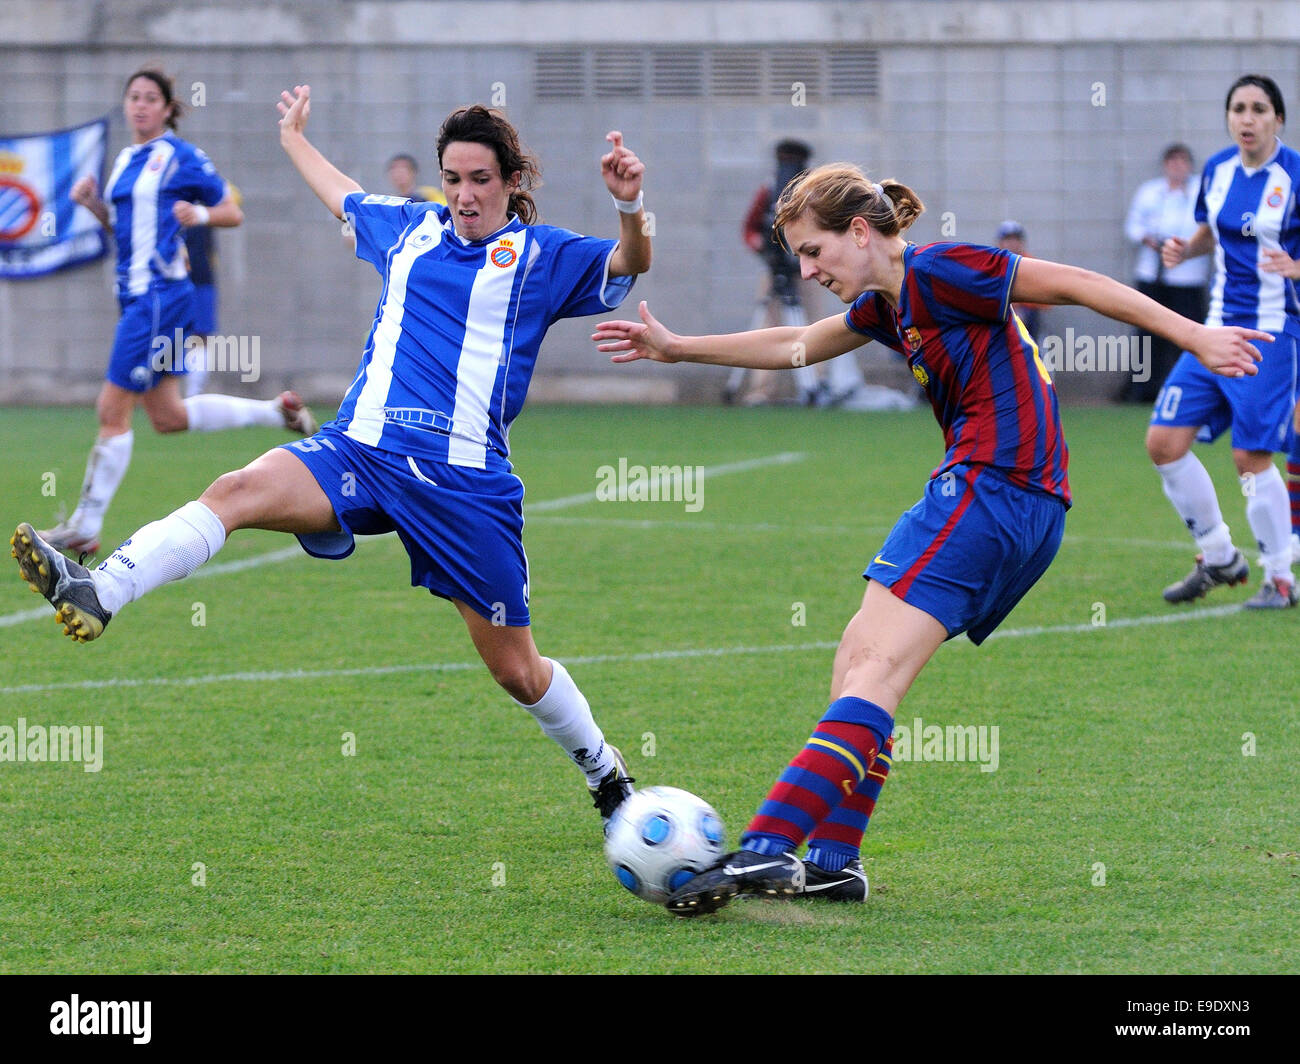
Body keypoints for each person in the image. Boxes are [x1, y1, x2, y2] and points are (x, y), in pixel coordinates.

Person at [593, 163, 1262, 914]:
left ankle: (766, 848)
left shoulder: (942, 269)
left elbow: (1076, 282)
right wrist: (679, 348)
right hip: (1015, 501)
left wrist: (1193, 333)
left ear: (859, 231)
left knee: (875, 666)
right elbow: (798, 346)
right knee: (857, 660)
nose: (809, 272)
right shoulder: (890, 302)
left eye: (815, 252)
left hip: (993, 487)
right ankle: (834, 862)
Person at [12, 84, 651, 834]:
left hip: (463, 484)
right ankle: (101, 590)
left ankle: (605, 773)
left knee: (517, 671)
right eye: (453, 179)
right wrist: (290, 137)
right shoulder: (410, 230)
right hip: (360, 449)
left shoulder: (543, 257)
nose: (465, 195)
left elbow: (628, 260)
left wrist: (630, 206)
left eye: (481, 180)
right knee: (238, 488)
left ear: (513, 182)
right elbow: (342, 195)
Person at [42, 68, 317, 558]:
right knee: (167, 416)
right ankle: (275, 411)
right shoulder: (127, 159)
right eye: (133, 97)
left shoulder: (181, 156)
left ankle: (84, 526)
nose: (141, 106)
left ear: (169, 108)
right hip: (134, 296)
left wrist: (203, 215)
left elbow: (232, 211)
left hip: (159, 298)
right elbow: (126, 232)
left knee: (112, 409)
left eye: (151, 98)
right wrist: (93, 207)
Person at [1149, 74, 1300, 609]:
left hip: (1270, 334)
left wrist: (1296, 266)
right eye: (1238, 108)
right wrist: (1185, 250)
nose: (1247, 118)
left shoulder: (1295, 175)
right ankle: (1218, 557)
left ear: (1278, 119)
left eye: (1259, 109)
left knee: (1249, 458)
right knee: (1163, 444)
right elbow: (1213, 229)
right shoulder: (1216, 169)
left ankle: (1281, 577)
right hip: (1211, 331)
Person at [724, 139, 871, 407]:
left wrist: (812, 257)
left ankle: (817, 385)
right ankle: (761, 390)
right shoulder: (768, 189)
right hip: (774, 270)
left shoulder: (815, 192)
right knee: (767, 326)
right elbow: (750, 228)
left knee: (814, 326)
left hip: (813, 269)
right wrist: (761, 247)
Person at [1120, 143, 1209, 402]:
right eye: (1173, 161)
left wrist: (1182, 246)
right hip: (1153, 273)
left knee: (1188, 333)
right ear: (1165, 165)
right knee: (1148, 333)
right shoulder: (1150, 192)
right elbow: (1133, 226)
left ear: (1190, 165)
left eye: (1183, 161)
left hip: (1187, 277)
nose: (1177, 166)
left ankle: (1191, 389)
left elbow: (1207, 229)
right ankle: (1143, 390)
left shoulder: (1199, 191)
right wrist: (1149, 240)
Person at [181, 182, 243, 397]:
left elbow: (233, 201)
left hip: (197, 278)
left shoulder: (203, 199)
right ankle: (189, 391)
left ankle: (193, 391)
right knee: (192, 336)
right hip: (186, 278)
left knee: (198, 336)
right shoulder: (172, 197)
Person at [994, 220, 1044, 343]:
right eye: (1008, 239)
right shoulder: (993, 262)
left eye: (1015, 239)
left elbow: (1045, 302)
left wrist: (1021, 304)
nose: (1012, 243)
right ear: (1000, 243)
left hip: (1027, 316)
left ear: (1022, 242)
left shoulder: (1032, 263)